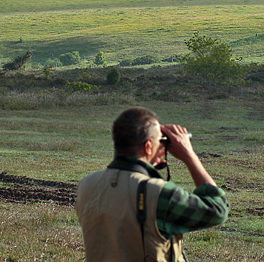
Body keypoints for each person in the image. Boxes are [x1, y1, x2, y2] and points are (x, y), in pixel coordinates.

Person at [77, 107, 229, 261]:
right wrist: (189, 155)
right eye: (159, 140)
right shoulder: (158, 193)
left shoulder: (87, 184)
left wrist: (149, 163)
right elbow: (218, 209)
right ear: (148, 146)